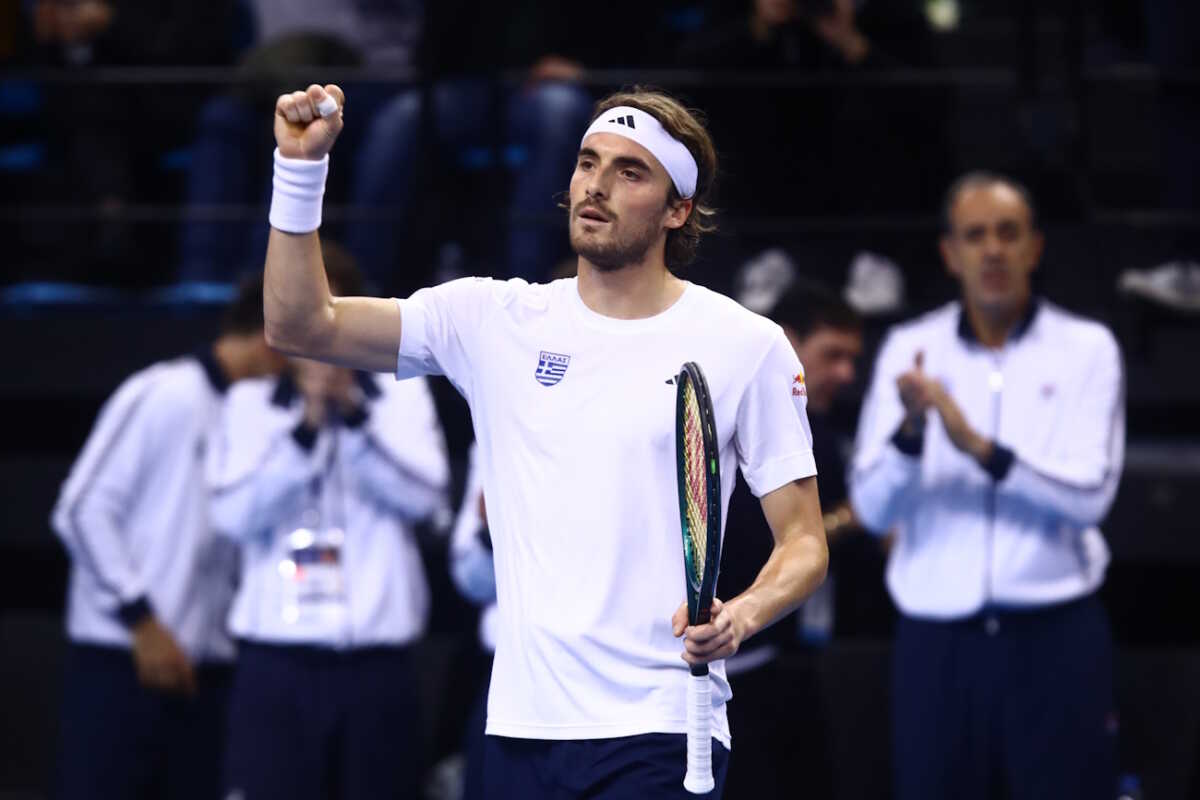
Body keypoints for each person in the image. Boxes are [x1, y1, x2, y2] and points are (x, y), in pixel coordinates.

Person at [260, 83, 828, 798]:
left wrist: (740, 615)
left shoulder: (748, 344)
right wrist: (299, 170)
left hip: (660, 730)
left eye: (630, 171)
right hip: (517, 729)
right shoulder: (492, 319)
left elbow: (804, 542)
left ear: (677, 210)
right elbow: (300, 326)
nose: (597, 185)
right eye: (588, 162)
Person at [849, 172, 1125, 800]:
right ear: (951, 254)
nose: (993, 250)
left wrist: (978, 447)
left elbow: (1089, 500)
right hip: (937, 644)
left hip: (1055, 636)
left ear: (1035, 247)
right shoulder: (910, 349)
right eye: (975, 236)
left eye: (1008, 233)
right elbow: (870, 508)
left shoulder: (1088, 349)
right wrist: (912, 436)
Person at [206, 246, 450, 800]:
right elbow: (231, 517)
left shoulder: (400, 396)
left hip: (377, 668)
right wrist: (307, 430)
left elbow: (428, 501)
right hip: (276, 666)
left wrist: (356, 418)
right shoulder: (248, 404)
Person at [49, 275, 282, 800]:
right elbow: (81, 510)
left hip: (205, 676)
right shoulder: (164, 392)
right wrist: (142, 622)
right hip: (122, 663)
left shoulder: (258, 415)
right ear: (270, 334)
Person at [719, 279, 864, 798]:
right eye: (832, 355)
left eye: (852, 359)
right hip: (714, 663)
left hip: (779, 655)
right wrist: (846, 519)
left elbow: (804, 541)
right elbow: (759, 538)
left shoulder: (824, 427)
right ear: (785, 341)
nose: (846, 374)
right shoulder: (727, 416)